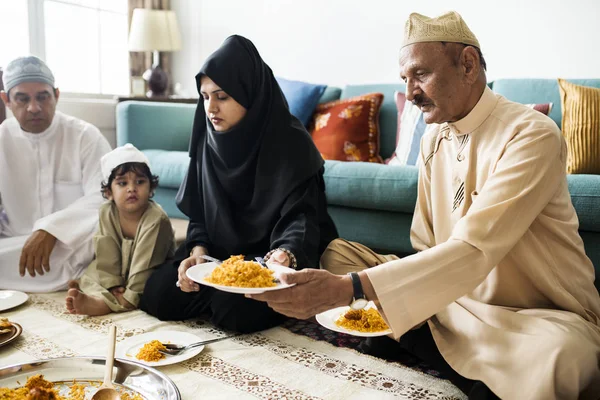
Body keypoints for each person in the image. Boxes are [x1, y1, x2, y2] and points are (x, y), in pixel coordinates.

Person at [250, 11, 600, 399]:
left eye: (420, 74)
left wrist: (350, 290)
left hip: (528, 314)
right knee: (335, 254)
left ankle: (422, 339)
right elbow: (425, 246)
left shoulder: (530, 134)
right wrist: (362, 283)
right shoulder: (432, 139)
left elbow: (473, 249)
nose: (411, 91)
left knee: (564, 359)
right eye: (405, 79)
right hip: (450, 298)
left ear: (467, 64)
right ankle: (441, 346)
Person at [140, 35, 338, 333]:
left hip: (267, 258)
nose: (211, 108)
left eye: (222, 96)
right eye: (205, 97)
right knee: (156, 294)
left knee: (233, 311)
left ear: (250, 94)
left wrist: (284, 254)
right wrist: (197, 253)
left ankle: (225, 298)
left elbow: (302, 218)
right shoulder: (208, 139)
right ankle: (217, 294)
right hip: (218, 255)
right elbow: (200, 213)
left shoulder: (291, 143)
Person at [0, 56, 111, 292]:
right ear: (6, 100)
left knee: (98, 239)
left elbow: (104, 196)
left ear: (57, 95)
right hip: (14, 243)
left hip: (71, 243)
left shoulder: (85, 136)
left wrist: (52, 228)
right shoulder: (1, 139)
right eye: (22, 98)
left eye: (42, 97)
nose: (34, 107)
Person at [66, 144, 176, 316]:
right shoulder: (107, 211)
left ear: (151, 188)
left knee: (152, 285)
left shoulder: (156, 218)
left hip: (150, 267)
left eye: (140, 182)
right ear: (109, 192)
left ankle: (104, 303)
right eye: (122, 183)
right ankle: (97, 291)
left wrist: (129, 295)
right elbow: (107, 251)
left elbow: (145, 264)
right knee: (93, 271)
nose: (131, 188)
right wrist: (113, 283)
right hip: (121, 269)